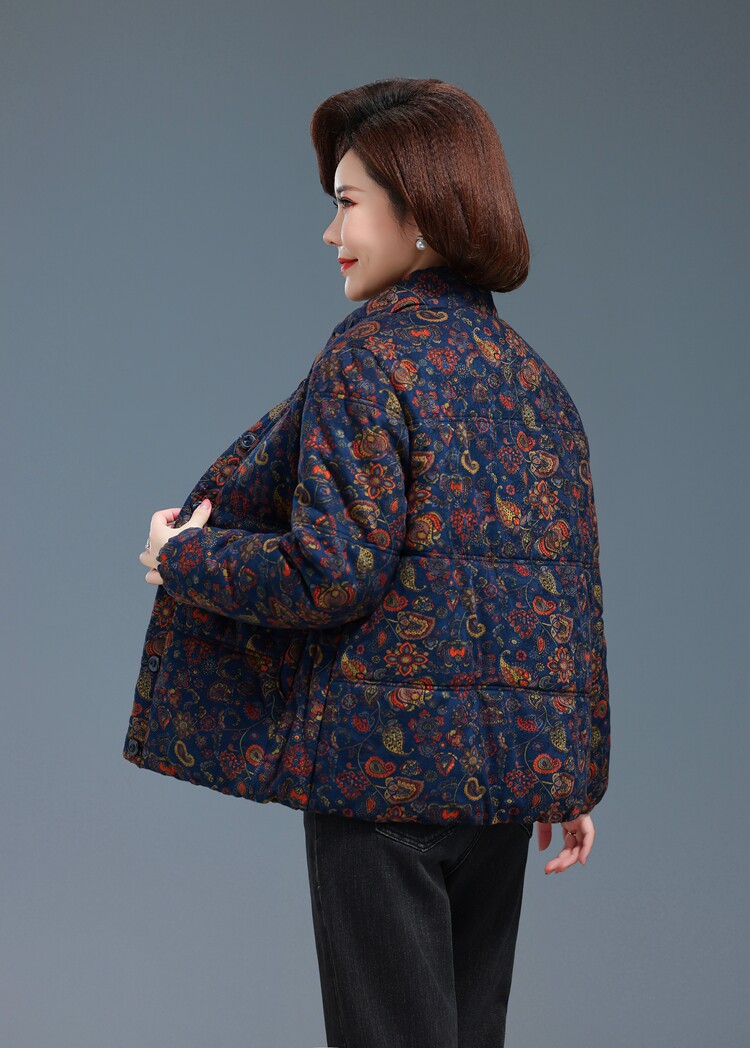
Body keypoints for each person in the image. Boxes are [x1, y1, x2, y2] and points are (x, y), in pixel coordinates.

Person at [126, 77, 610, 1048]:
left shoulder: (369, 359)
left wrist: (188, 559)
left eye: (347, 203)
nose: (330, 232)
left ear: (418, 212)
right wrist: (571, 773)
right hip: (500, 795)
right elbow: (566, 593)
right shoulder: (536, 382)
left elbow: (331, 571)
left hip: (383, 784)